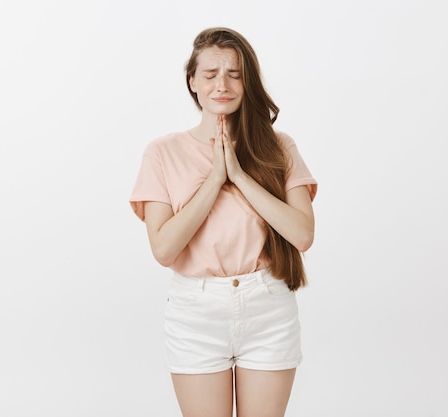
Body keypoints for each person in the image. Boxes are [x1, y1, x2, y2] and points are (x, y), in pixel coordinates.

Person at [129, 27, 317, 417]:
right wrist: (215, 179)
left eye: (234, 73)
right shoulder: (162, 153)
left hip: (267, 305)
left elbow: (302, 234)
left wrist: (240, 176)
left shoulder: (278, 146)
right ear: (192, 82)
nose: (222, 84)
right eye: (211, 74)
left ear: (248, 81)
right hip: (196, 312)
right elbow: (164, 249)